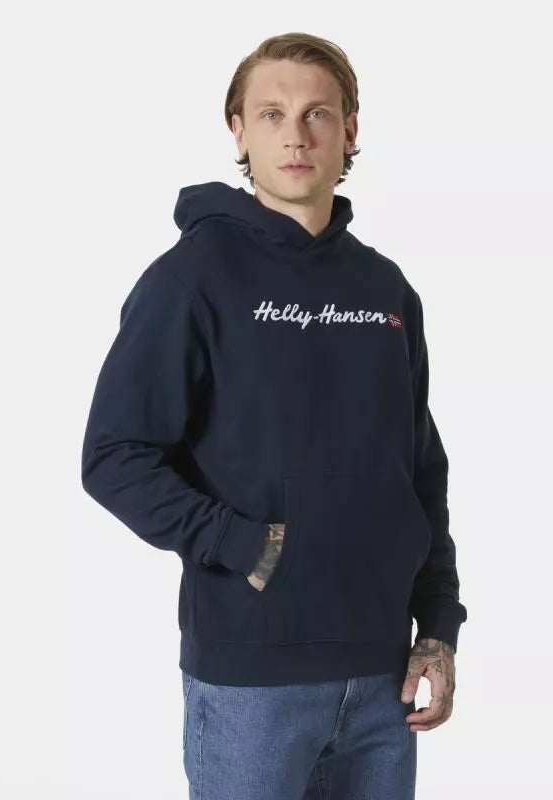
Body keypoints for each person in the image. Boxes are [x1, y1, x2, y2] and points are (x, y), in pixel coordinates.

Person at [81, 30, 467, 800]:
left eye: (317, 114)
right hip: (252, 680)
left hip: (383, 678)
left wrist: (437, 626)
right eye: (271, 114)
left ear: (349, 131)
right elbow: (115, 456)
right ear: (239, 132)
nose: (296, 135)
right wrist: (244, 545)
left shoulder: (385, 290)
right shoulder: (192, 279)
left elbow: (419, 469)